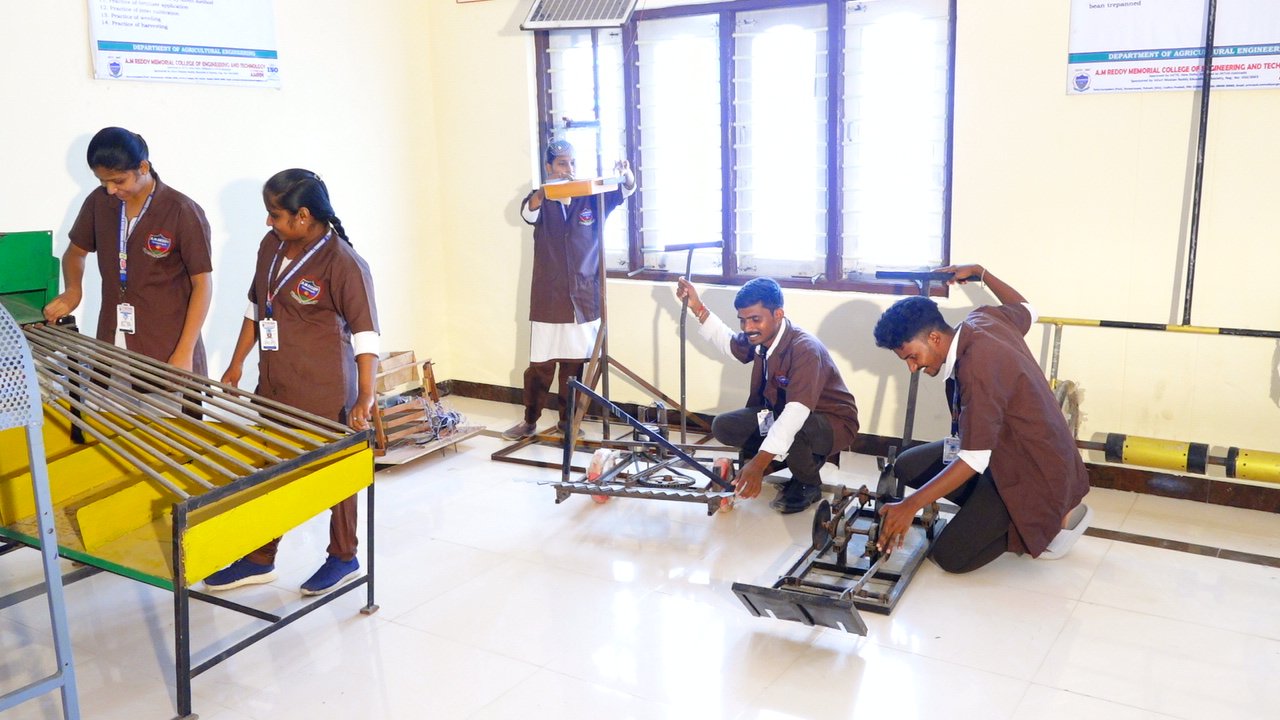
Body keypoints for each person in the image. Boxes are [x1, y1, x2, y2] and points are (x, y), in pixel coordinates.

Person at [205, 169, 380, 596]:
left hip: (325, 388)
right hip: (277, 383)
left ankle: (344, 555)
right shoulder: (271, 246)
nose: (269, 221)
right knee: (270, 466)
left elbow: (366, 335)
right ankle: (260, 558)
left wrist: (366, 396)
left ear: (303, 216)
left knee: (336, 474)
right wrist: (236, 363)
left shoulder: (344, 263)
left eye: (275, 214)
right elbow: (256, 307)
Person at [871, 264, 1092, 573]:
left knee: (949, 557)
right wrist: (981, 272)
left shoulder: (977, 368)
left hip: (1032, 472)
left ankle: (1050, 519)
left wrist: (911, 505)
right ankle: (990, 511)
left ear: (934, 338)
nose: (911, 367)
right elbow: (1028, 309)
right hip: (1003, 455)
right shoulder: (982, 319)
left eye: (911, 356)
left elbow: (973, 459)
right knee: (908, 465)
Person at [676, 277, 860, 514]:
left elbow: (795, 414)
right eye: (743, 320)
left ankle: (808, 483)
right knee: (724, 426)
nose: (747, 328)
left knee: (793, 428)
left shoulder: (804, 349)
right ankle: (785, 458)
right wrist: (697, 307)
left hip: (832, 422)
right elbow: (730, 344)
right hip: (783, 413)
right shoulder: (761, 337)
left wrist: (758, 464)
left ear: (778, 314)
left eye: (755, 319)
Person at [44, 126, 212, 374]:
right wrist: (73, 290)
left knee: (161, 400)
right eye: (102, 181)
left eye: (118, 181)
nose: (111, 189)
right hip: (110, 348)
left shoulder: (181, 210)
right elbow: (75, 253)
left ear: (143, 167)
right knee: (105, 400)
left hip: (166, 350)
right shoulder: (99, 202)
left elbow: (202, 284)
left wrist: (185, 351)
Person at [501, 139, 636, 440]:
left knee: (574, 367)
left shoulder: (590, 199)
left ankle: (568, 421)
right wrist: (546, 191)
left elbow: (626, 190)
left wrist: (626, 173)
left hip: (582, 300)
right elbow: (528, 212)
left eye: (572, 163)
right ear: (548, 166)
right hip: (549, 301)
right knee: (540, 366)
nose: (568, 169)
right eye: (562, 163)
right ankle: (529, 420)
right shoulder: (541, 200)